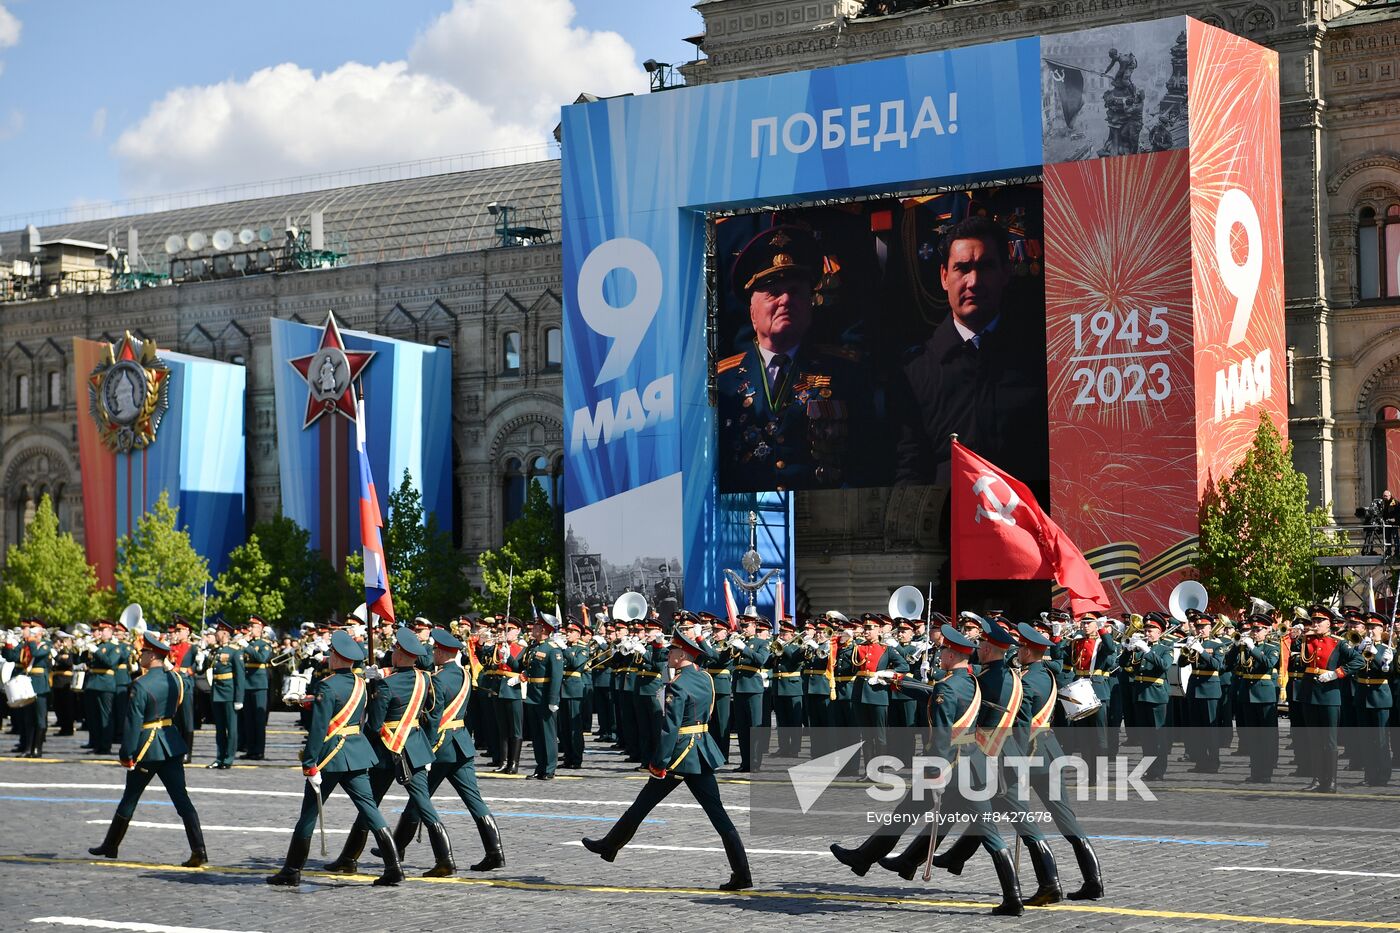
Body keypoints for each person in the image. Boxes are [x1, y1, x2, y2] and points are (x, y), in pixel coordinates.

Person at [582, 628, 752, 892]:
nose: (668, 654)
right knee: (718, 815)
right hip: (701, 751)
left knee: (642, 805)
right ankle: (742, 873)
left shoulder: (678, 685)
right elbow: (706, 714)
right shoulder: (705, 678)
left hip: (681, 754)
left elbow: (670, 727)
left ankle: (609, 845)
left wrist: (659, 762)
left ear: (682, 653)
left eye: (672, 650)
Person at [893, 215, 1048, 489]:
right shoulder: (916, 372)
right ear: (944, 277)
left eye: (986, 267)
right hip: (949, 527)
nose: (973, 282)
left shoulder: (1039, 360)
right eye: (962, 268)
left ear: (1005, 273)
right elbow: (910, 470)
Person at [717, 224, 874, 492]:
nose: (786, 300)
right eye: (774, 293)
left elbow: (865, 462)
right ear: (752, 311)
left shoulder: (845, 375)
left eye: (796, 291)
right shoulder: (723, 383)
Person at [267, 630, 401, 887]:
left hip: (330, 757)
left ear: (338, 657)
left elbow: (318, 729)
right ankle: (393, 866)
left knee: (308, 814)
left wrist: (309, 763)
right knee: (370, 810)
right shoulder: (361, 683)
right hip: (356, 752)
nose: (328, 656)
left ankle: (292, 870)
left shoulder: (327, 686)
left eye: (331, 653)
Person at [322, 627, 455, 879]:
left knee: (369, 804)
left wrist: (374, 693)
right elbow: (431, 712)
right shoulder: (425, 679)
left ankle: (350, 858)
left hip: (387, 750)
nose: (392, 652)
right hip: (414, 747)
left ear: (401, 654)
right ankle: (445, 859)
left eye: (395, 649)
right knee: (424, 806)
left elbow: (373, 725)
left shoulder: (386, 684)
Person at [389, 627, 506, 872]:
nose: (432, 653)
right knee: (474, 800)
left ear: (442, 652)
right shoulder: (463, 674)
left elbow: (433, 718)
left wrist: (427, 748)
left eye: (434, 650)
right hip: (461, 744)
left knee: (419, 798)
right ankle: (495, 852)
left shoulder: (437, 680)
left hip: (441, 748)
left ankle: (399, 847)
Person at [88, 628, 206, 867]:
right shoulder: (176, 679)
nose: (140, 656)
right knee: (182, 800)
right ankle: (199, 850)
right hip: (171, 743)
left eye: (143, 652)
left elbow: (132, 724)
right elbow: (183, 714)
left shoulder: (140, 685)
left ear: (152, 656)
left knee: (130, 798)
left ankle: (111, 845)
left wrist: (126, 754)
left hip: (147, 748)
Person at [1294, 606, 1364, 792]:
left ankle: (1331, 781)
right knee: (1314, 739)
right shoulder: (1306, 640)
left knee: (1330, 741)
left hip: (1329, 694)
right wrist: (1296, 634)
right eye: (1313, 621)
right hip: (1309, 693)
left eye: (1319, 621)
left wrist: (1337, 673)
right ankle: (1317, 779)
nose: (1315, 624)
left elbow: (1358, 661)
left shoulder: (1339, 642)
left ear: (1329, 624)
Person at [1224, 614, 1282, 783]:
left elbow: (1268, 664)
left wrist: (1253, 648)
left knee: (1267, 737)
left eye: (1258, 629)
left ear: (1267, 630)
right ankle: (1256, 771)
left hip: (1264, 696)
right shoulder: (1244, 647)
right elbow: (1228, 664)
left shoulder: (1273, 646)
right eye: (1253, 629)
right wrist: (1235, 647)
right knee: (1253, 737)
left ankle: (1267, 771)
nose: (1254, 632)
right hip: (1247, 694)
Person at [729, 611, 772, 772]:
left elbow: (761, 659)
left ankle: (755, 762)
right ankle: (744, 762)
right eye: (742, 626)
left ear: (754, 626)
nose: (744, 628)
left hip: (753, 688)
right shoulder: (740, 641)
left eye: (746, 626)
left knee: (754, 727)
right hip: (739, 687)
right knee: (742, 728)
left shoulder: (761, 643)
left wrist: (744, 648)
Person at [524, 614, 564, 780]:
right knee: (537, 734)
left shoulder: (552, 649)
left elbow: (556, 676)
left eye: (536, 626)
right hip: (533, 694)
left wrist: (553, 700)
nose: (533, 629)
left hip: (544, 696)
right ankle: (540, 766)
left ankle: (549, 768)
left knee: (548, 734)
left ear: (544, 629)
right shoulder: (534, 647)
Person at [3, 619, 51, 757]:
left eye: (32, 630)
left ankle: (37, 749)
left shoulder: (46, 644)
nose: (28, 632)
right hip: (27, 684)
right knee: (28, 718)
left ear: (40, 632)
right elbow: (11, 656)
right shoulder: (26, 644)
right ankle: (27, 748)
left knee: (40, 718)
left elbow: (36, 654)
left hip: (40, 684)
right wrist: (8, 643)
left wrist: (30, 640)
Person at [206, 618, 245, 769]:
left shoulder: (235, 652)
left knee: (231, 727)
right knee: (220, 728)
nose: (215, 634)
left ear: (224, 633)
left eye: (217, 632)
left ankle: (228, 758)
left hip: (229, 693)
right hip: (217, 692)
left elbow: (240, 677)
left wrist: (239, 698)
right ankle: (219, 756)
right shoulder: (217, 651)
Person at [239, 615, 273, 760]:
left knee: (259, 720)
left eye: (253, 627)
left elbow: (261, 658)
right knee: (248, 720)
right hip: (246, 684)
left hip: (259, 685)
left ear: (260, 629)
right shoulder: (248, 643)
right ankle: (250, 749)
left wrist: (247, 646)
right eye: (250, 626)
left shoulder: (264, 644)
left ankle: (259, 751)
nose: (250, 629)